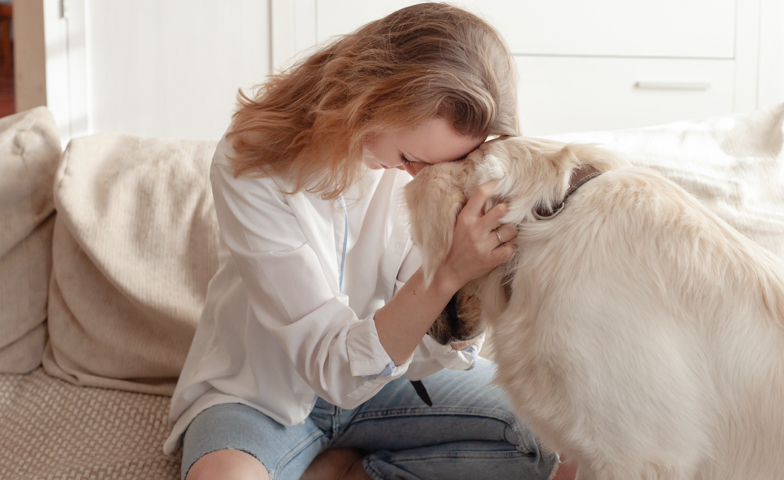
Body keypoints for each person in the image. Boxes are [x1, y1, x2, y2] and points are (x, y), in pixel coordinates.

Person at [164, 4, 575, 479]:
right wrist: (443, 276)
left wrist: (476, 271)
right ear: (374, 98)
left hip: (395, 385)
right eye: (410, 157)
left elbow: (439, 347)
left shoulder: (428, 170)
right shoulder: (250, 161)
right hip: (261, 396)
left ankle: (354, 468)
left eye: (436, 165)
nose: (419, 176)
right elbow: (330, 363)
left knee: (567, 442)